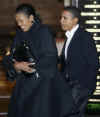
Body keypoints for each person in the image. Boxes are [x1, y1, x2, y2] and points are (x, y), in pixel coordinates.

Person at [3, 3, 74, 117]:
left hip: (42, 89)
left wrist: (30, 67)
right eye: (17, 21)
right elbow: (11, 57)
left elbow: (50, 58)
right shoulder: (19, 34)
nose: (19, 24)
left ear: (31, 18)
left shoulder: (43, 32)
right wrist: (16, 66)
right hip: (24, 88)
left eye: (21, 20)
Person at [60, 6, 99, 117]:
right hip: (70, 86)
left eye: (64, 18)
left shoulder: (85, 36)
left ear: (75, 20)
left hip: (80, 86)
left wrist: (84, 86)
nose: (61, 21)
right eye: (61, 18)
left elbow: (94, 63)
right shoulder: (69, 37)